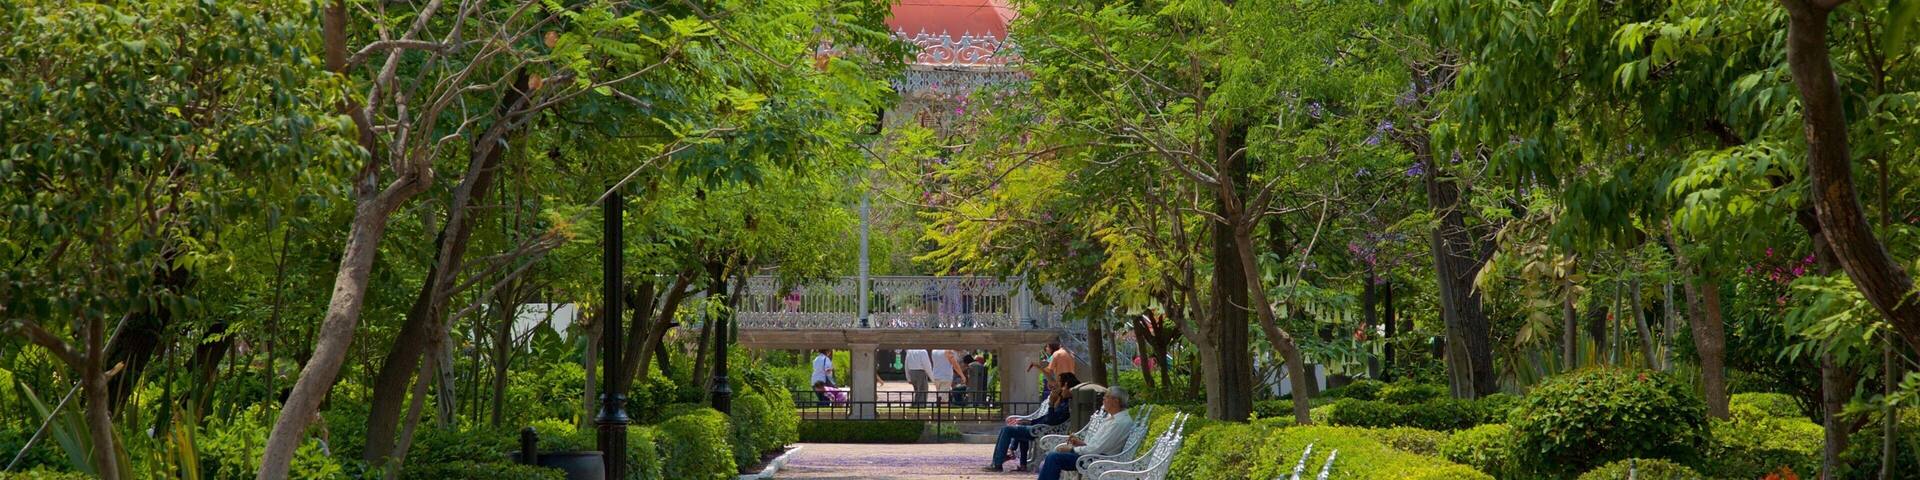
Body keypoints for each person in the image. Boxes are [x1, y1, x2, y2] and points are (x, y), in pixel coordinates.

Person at [1036, 387, 1133, 480]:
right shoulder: (1114, 419)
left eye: (1107, 396)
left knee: (1054, 457)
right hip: (1095, 456)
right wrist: (1081, 443)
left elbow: (1097, 448)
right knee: (1054, 456)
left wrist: (1072, 449)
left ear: (1116, 401)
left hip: (1099, 460)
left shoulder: (1119, 422)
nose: (1103, 399)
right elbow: (1100, 445)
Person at [984, 377, 1074, 472]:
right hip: (1040, 428)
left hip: (1043, 431)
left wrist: (1051, 404)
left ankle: (998, 463)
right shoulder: (1061, 401)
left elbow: (1051, 421)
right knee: (1012, 428)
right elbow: (1046, 418)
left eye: (1063, 386)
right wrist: (1030, 421)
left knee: (1007, 430)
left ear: (1069, 388)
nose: (1060, 388)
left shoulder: (1066, 405)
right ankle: (1017, 463)